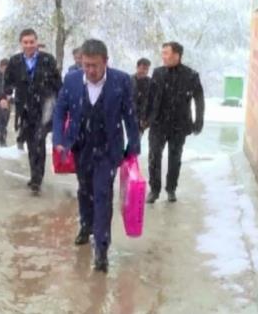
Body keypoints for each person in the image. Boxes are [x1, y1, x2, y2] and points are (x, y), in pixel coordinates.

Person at [52, 39, 141, 273]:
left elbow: (130, 115)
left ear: (105, 62)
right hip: (80, 146)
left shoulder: (121, 81)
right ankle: (86, 225)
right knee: (84, 190)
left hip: (108, 149)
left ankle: (101, 249)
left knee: (102, 194)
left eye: (95, 65)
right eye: (86, 65)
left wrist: (134, 145)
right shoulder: (71, 80)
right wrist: (59, 139)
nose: (90, 70)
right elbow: (60, 110)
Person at [0, 29, 62, 194]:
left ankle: (37, 179)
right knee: (30, 142)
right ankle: (35, 174)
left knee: (39, 141)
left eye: (31, 42)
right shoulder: (15, 62)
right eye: (25, 42)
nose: (29, 45)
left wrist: (61, 104)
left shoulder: (47, 60)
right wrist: (5, 97)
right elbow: (8, 83)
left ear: (36, 42)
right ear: (21, 44)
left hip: (43, 109)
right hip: (25, 110)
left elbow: (58, 84)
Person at [145, 42, 205, 204]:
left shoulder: (191, 75)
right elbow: (150, 97)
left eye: (166, 53)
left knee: (175, 157)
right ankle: (154, 190)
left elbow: (199, 99)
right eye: (163, 53)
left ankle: (171, 189)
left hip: (179, 124)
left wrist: (199, 121)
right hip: (158, 123)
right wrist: (145, 119)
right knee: (154, 156)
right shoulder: (158, 73)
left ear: (177, 55)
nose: (163, 56)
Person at [132, 58, 152, 134]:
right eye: (143, 68)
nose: (144, 71)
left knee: (137, 138)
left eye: (147, 69)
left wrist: (147, 120)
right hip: (128, 116)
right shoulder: (128, 80)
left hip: (142, 120)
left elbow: (152, 102)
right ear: (137, 67)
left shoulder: (151, 83)